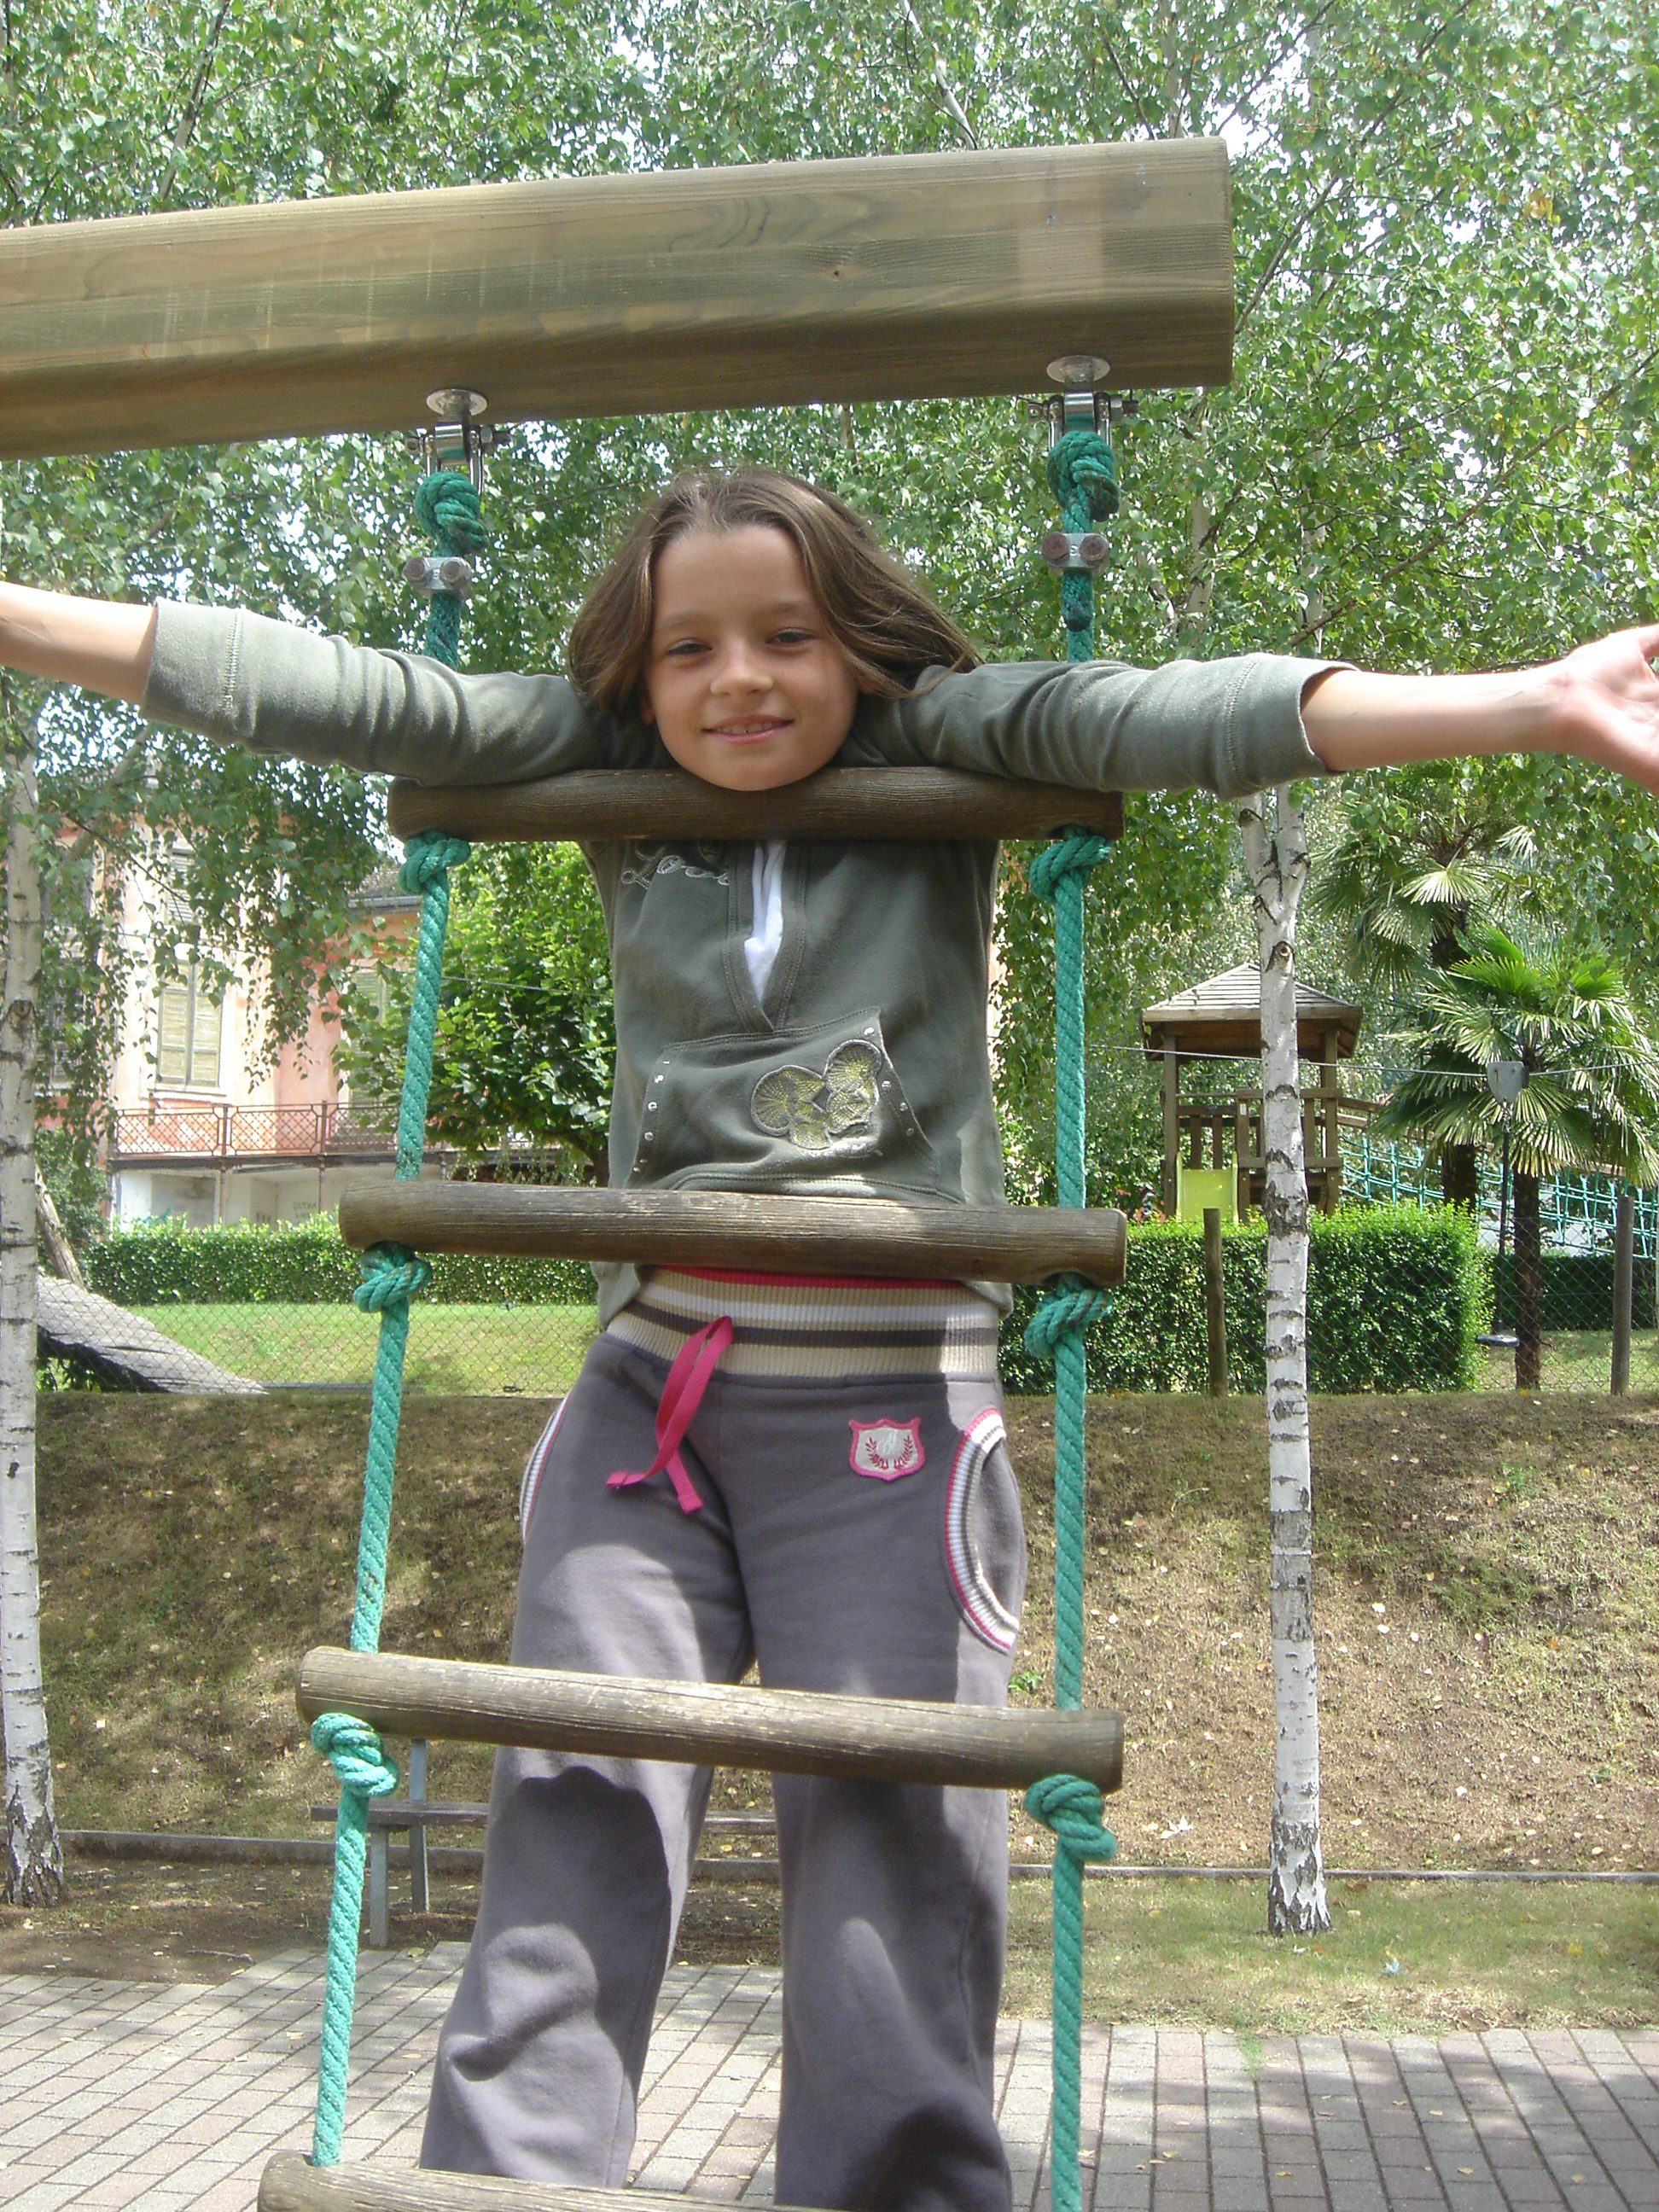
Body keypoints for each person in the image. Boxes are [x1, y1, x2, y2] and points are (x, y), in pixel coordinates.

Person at [3, 471, 1656, 2211]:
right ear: (638, 674)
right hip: (649, 1399)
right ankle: (509, 2189)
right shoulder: (600, 756)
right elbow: (340, 692)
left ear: (859, 645)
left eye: (787, 635)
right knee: (572, 1806)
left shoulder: (949, 735)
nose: (738, 678)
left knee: (889, 1861)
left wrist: (1533, 702)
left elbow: (1186, 713)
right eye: (689, 647)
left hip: (887, 1413)